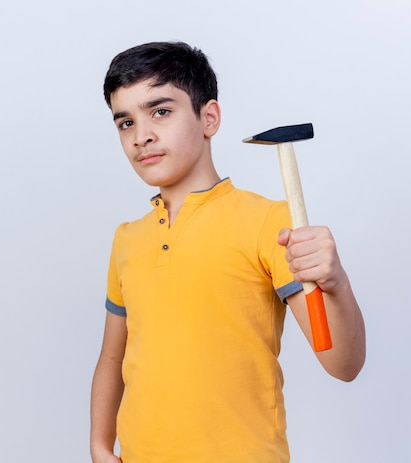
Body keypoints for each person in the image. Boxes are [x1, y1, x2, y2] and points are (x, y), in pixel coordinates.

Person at [90, 41, 366, 463]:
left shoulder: (270, 223)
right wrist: (100, 444)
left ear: (209, 118)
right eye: (125, 122)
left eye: (160, 111)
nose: (141, 135)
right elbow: (113, 356)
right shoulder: (127, 238)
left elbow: (343, 365)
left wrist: (336, 282)